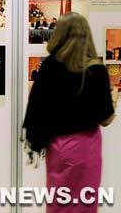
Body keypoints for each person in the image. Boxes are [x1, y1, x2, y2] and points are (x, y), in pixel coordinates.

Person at [22, 12, 118, 213]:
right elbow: (106, 119)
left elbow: (38, 105)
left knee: (58, 202)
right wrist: (115, 97)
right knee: (84, 203)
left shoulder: (49, 66)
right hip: (86, 146)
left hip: (57, 147)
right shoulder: (96, 71)